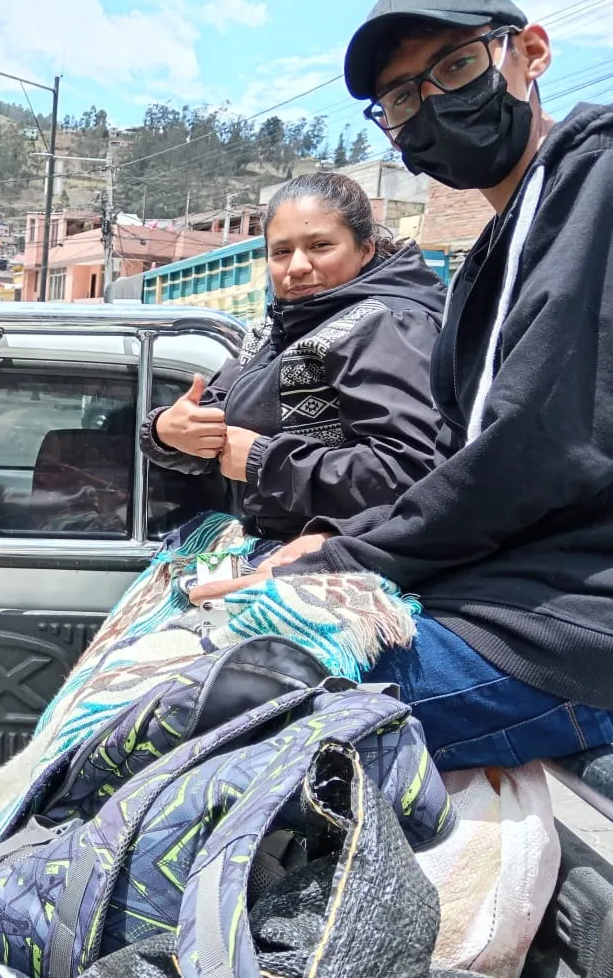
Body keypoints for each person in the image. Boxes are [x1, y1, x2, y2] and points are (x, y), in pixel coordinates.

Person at [192, 0, 613, 772]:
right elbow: (365, 455)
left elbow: (472, 459)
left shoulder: (381, 323)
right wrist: (173, 436)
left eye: (456, 68)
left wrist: (308, 515)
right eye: (402, 99)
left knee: (233, 710)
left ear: (530, 53)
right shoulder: (294, 334)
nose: (296, 267)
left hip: (566, 620)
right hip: (481, 579)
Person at [141, 171, 445, 540]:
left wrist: (263, 462)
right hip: (274, 544)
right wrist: (166, 430)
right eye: (282, 252)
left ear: (364, 249)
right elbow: (212, 418)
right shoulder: (281, 328)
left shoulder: (385, 325)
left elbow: (413, 472)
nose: (298, 266)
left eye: (320, 246)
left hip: (345, 557)